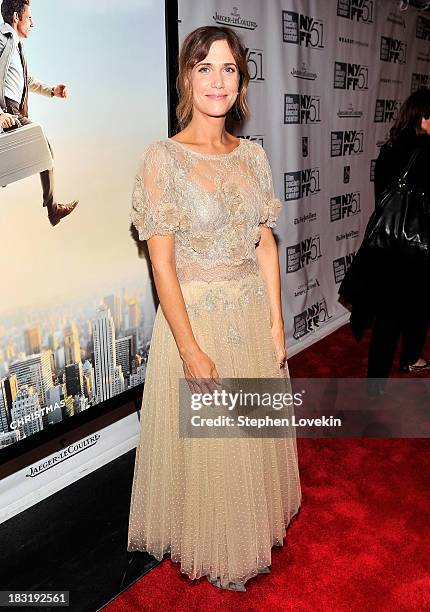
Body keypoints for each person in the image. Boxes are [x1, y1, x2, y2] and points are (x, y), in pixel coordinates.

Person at [127, 26, 301, 591]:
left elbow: (266, 244)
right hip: (197, 323)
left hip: (250, 315)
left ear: (241, 82)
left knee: (248, 445)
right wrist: (190, 349)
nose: (217, 81)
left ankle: (247, 535)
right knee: (212, 452)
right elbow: (163, 268)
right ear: (186, 78)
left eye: (228, 69)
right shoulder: (162, 160)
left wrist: (277, 323)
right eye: (205, 68)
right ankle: (219, 549)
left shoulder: (252, 158)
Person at [339, 89, 430, 395]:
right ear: (424, 116)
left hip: (387, 244)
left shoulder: (390, 149)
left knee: (388, 316)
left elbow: (383, 198)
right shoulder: (428, 152)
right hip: (418, 247)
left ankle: (376, 385)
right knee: (417, 308)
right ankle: (410, 358)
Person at [0, 0, 78, 227]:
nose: (33, 23)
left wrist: (52, 91)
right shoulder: (3, 42)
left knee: (44, 151)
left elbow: (28, 81)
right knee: (44, 149)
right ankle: (53, 210)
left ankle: (53, 210)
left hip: (13, 111)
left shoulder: (16, 47)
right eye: (29, 17)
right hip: (7, 111)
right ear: (16, 17)